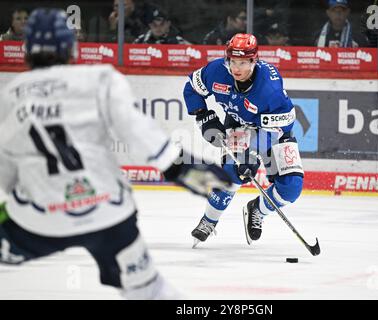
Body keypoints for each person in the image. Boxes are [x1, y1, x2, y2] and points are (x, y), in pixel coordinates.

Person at [0, 8, 231, 300]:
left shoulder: (11, 94)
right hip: (107, 213)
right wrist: (179, 168)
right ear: (70, 47)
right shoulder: (99, 79)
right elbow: (138, 132)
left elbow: (7, 173)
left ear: (27, 50)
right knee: (148, 290)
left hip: (38, 219)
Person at [183, 33, 304, 247]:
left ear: (254, 61)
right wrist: (205, 117)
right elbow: (191, 87)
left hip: (275, 130)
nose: (236, 68)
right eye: (233, 61)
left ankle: (257, 209)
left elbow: (278, 127)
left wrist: (253, 154)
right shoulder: (216, 71)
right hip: (240, 124)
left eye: (243, 63)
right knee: (232, 174)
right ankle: (209, 220)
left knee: (291, 187)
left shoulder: (270, 88)